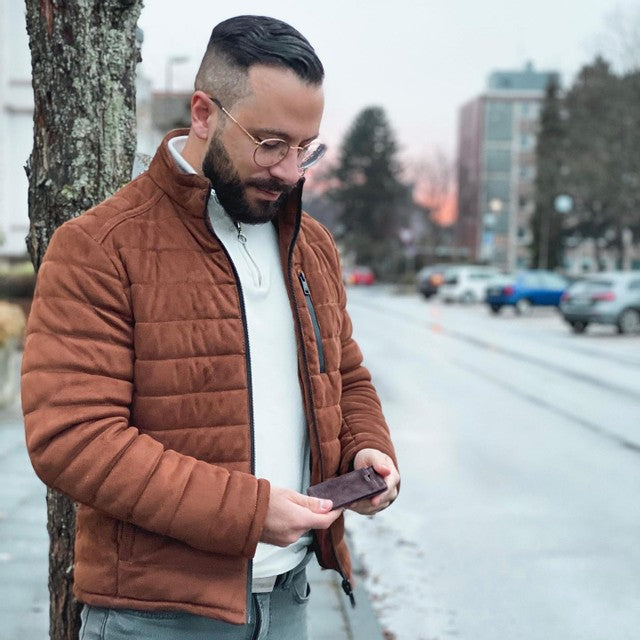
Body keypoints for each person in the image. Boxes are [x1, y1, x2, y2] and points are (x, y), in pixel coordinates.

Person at [21, 14, 399, 640]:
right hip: (153, 618)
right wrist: (251, 514)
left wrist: (367, 447)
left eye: (306, 149)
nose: (290, 171)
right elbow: (73, 438)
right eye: (271, 144)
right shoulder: (100, 247)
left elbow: (346, 373)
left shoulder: (313, 247)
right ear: (203, 113)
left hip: (289, 601)